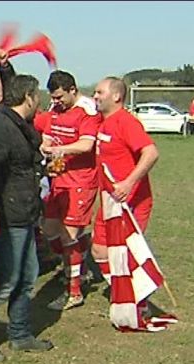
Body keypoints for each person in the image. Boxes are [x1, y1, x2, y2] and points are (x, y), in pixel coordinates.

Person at [0, 74, 54, 362]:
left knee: (27, 278)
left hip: (25, 213)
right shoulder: (1, 127)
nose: (40, 100)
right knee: (6, 279)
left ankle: (19, 334)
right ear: (28, 97)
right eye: (38, 95)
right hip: (8, 215)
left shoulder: (21, 127)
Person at [91, 77, 159, 315]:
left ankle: (139, 301)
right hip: (109, 202)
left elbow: (151, 153)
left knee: (126, 253)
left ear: (117, 96)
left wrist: (129, 182)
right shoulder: (102, 121)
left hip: (131, 203)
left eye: (100, 92)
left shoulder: (126, 122)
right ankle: (124, 292)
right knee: (99, 250)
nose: (95, 96)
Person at [38, 70, 102, 311]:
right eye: (53, 97)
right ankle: (80, 256)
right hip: (58, 180)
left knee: (68, 235)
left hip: (80, 182)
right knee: (50, 231)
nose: (56, 102)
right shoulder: (55, 110)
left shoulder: (87, 111)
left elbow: (87, 144)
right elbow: (46, 135)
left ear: (73, 90)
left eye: (60, 97)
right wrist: (45, 146)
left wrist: (60, 150)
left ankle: (74, 291)